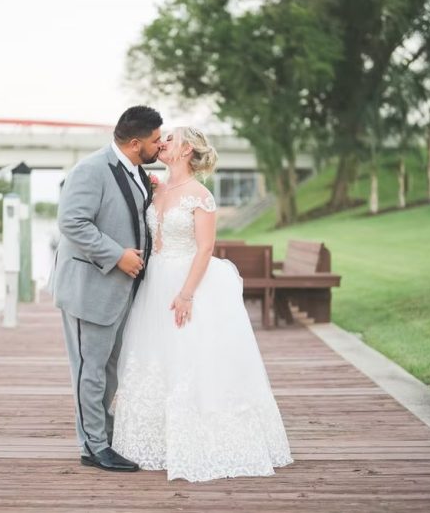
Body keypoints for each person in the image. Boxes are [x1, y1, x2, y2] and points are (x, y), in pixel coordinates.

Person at [111, 126, 293, 482]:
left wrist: (186, 294)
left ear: (186, 150)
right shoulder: (157, 188)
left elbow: (206, 248)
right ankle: (155, 441)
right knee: (156, 357)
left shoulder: (199, 195)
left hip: (187, 282)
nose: (162, 143)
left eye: (170, 140)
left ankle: (205, 440)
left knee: (191, 358)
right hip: (154, 285)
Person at [49, 105, 163, 472]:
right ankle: (94, 448)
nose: (159, 147)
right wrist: (117, 256)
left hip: (121, 292)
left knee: (109, 370)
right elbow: (71, 222)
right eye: (155, 140)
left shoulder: (136, 170)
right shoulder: (91, 169)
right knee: (90, 370)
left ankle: (105, 437)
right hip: (90, 288)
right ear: (135, 143)